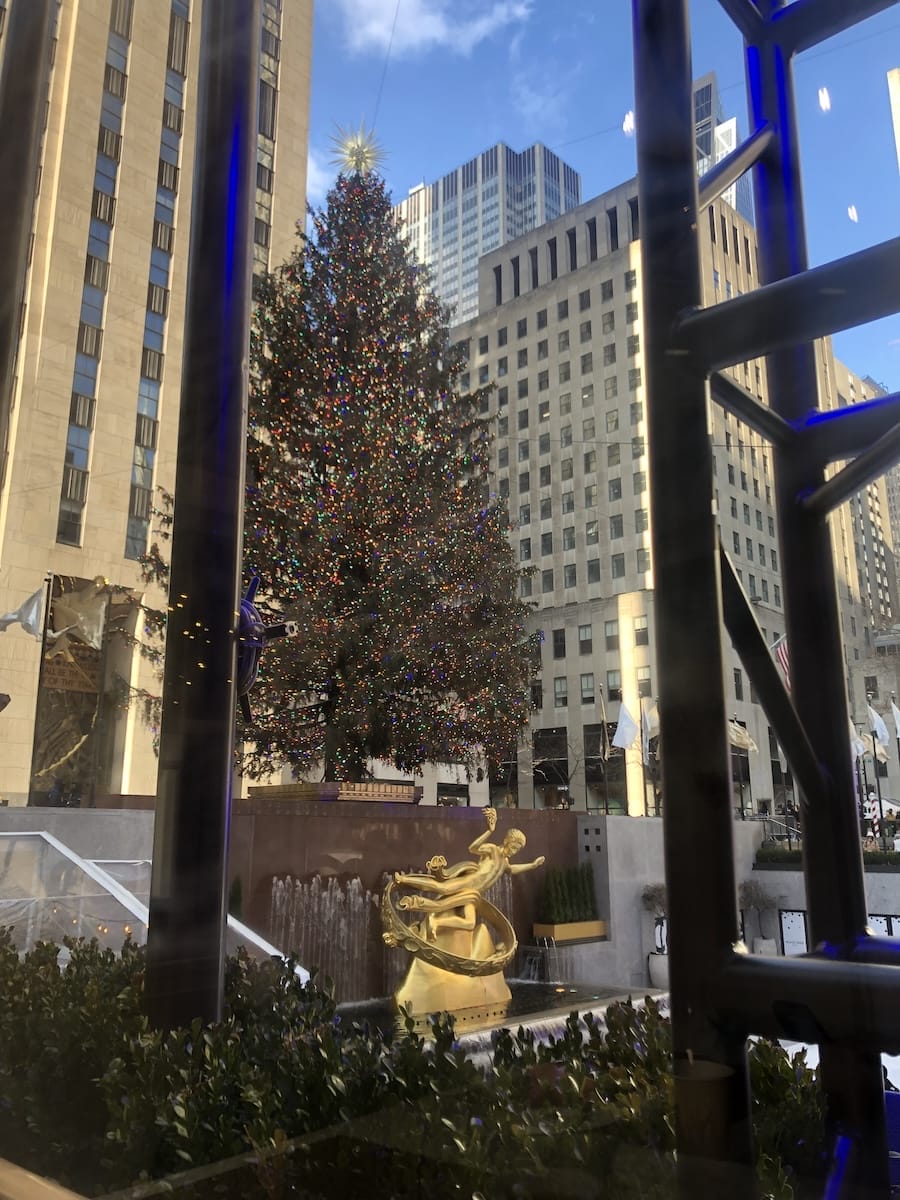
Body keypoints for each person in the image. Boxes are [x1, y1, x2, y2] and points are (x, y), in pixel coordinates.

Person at [394, 806, 544, 914]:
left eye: (517, 850)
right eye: (514, 847)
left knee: (458, 915)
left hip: (475, 893)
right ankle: (404, 879)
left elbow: (512, 870)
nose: (515, 851)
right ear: (507, 841)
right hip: (469, 882)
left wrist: (532, 865)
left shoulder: (504, 863)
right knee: (442, 888)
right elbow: (473, 848)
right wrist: (489, 831)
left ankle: (420, 909)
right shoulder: (492, 850)